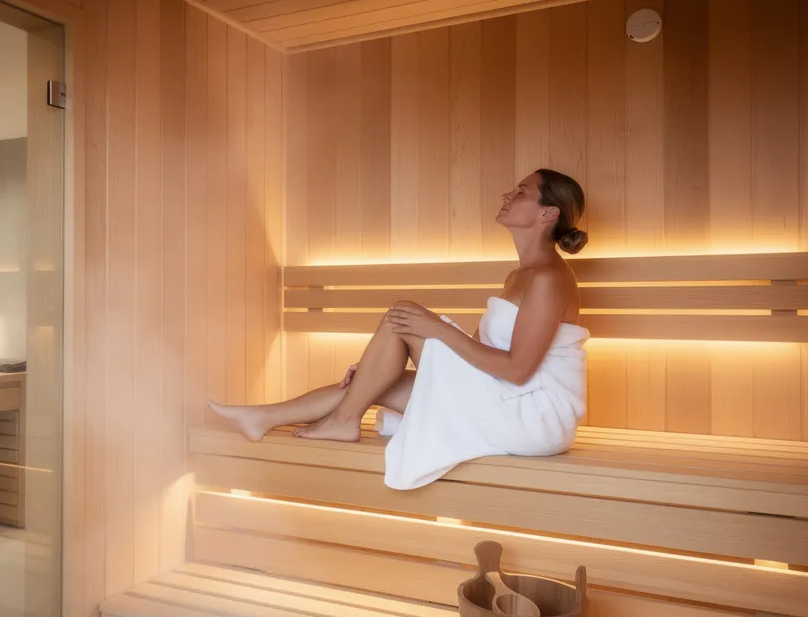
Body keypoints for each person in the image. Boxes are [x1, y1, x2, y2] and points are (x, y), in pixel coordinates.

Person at [209, 169, 591, 490]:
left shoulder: (546, 279)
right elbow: (482, 353)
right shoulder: (520, 276)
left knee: (403, 315)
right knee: (376, 381)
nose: (509, 194)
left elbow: (517, 370)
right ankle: (262, 417)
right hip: (504, 400)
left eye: (522, 191)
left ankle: (343, 422)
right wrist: (377, 366)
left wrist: (436, 330)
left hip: (533, 418)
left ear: (548, 214)